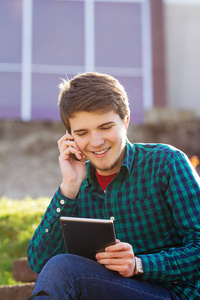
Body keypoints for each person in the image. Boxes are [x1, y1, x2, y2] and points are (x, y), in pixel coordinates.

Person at [27, 72, 200, 300]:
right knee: (61, 268)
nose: (96, 142)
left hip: (172, 293)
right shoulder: (78, 186)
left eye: (105, 127)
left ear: (125, 120)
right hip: (106, 290)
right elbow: (39, 261)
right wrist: (69, 186)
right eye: (82, 133)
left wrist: (139, 264)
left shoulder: (165, 162)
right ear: (69, 137)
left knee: (64, 269)